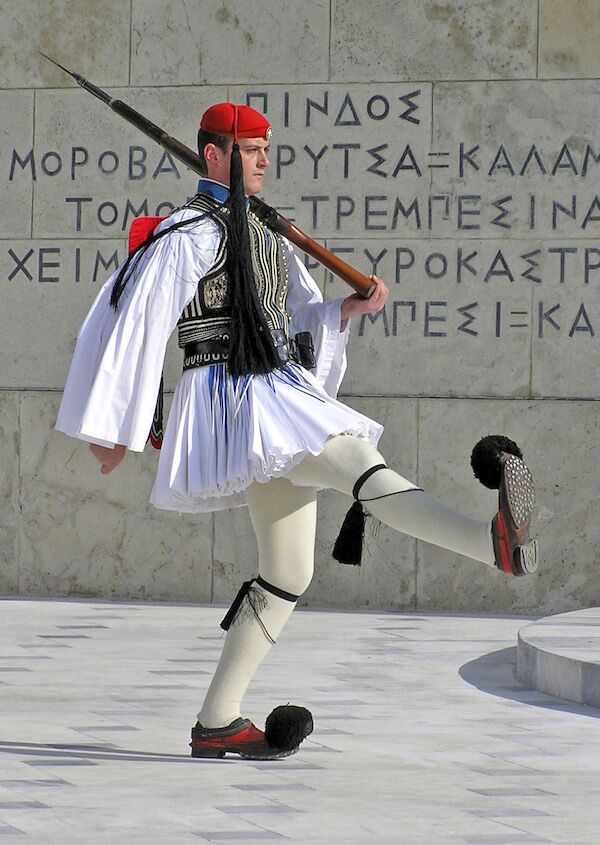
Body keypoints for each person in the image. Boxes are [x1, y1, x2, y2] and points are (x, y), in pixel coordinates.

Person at [56, 102, 538, 761]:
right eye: (252, 149)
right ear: (216, 154)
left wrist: (346, 307)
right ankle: (492, 544)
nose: (264, 159)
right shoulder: (187, 234)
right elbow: (133, 320)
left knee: (286, 570)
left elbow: (300, 314)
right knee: (355, 458)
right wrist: (117, 426)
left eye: (266, 149)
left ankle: (217, 721)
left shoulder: (264, 231)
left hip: (273, 385)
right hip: (236, 393)